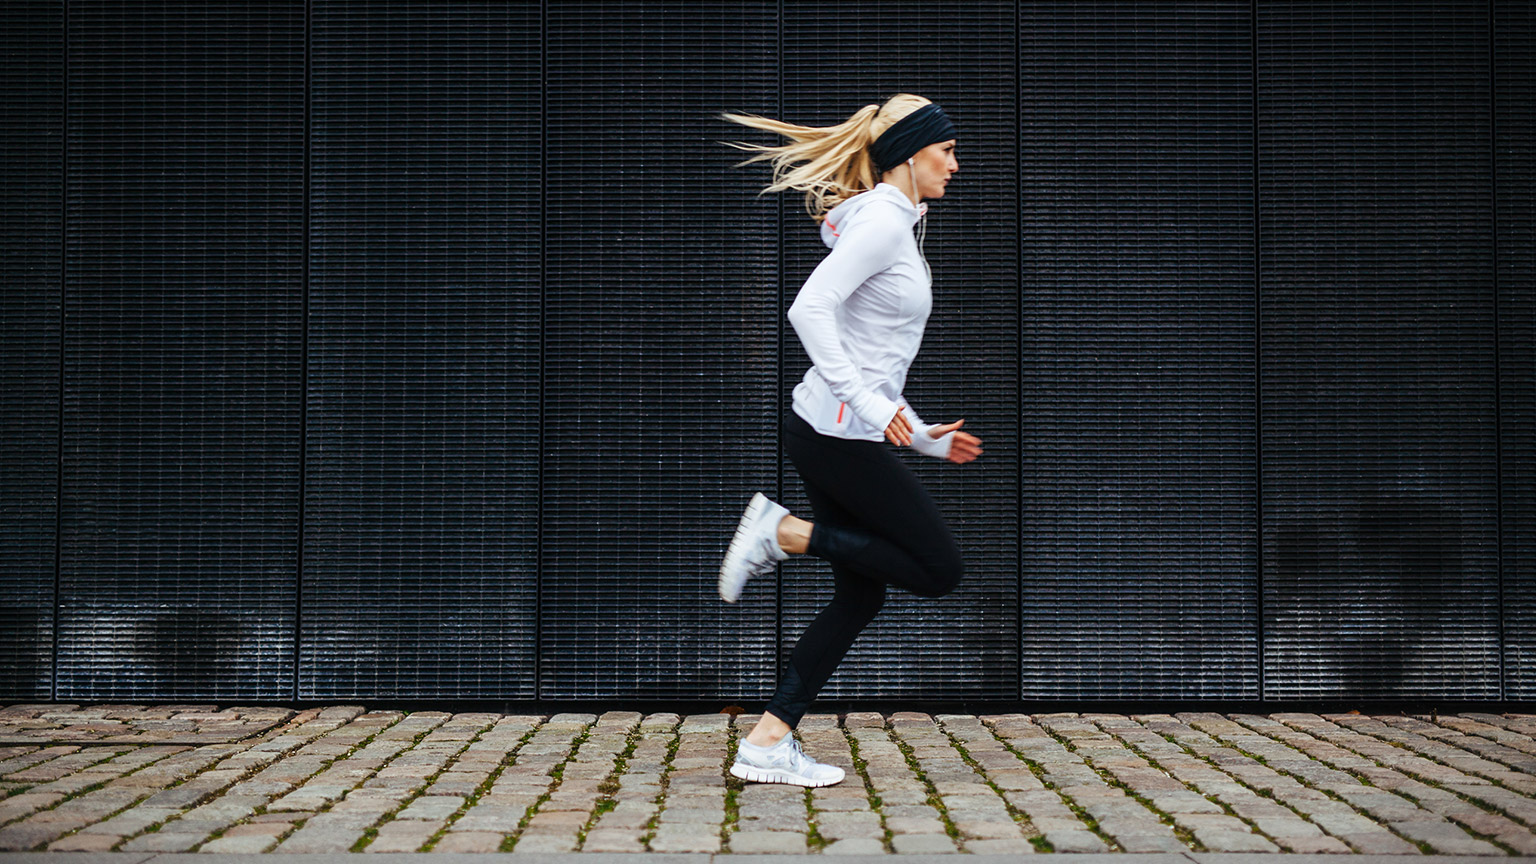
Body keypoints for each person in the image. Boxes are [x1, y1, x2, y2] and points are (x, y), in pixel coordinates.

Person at [713, 94, 983, 787]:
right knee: (939, 569)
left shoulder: (896, 222)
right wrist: (866, 404)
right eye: (947, 150)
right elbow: (809, 308)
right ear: (912, 153)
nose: (956, 164)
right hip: (837, 435)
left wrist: (920, 437)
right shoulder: (885, 225)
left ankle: (768, 744)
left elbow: (872, 352)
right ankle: (786, 534)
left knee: (860, 598)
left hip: (830, 430)